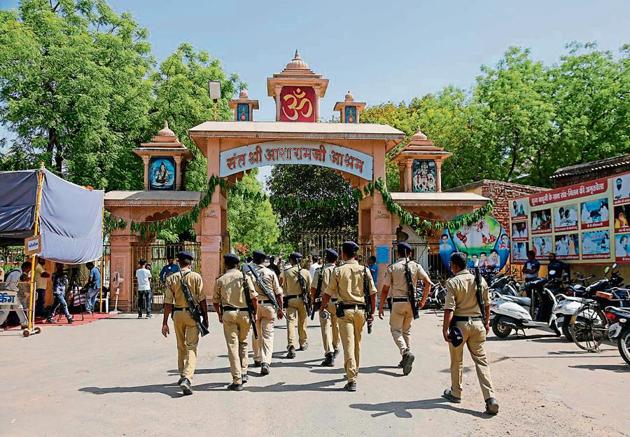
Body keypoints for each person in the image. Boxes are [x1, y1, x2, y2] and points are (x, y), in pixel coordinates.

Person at [442, 252, 499, 415]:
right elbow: (487, 304)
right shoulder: (480, 280)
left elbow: (449, 309)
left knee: (456, 361)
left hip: (459, 326)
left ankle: (456, 392)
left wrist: (445, 329)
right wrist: (487, 322)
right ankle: (490, 398)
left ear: (454, 265)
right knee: (482, 362)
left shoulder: (453, 282)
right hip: (478, 324)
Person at [320, 241, 377, 392]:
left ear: (344, 254)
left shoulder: (338, 271)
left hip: (345, 312)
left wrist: (322, 306)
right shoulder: (365, 270)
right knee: (357, 343)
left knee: (348, 345)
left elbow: (327, 292)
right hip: (361, 311)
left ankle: (351, 379)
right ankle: (354, 371)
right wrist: (372, 313)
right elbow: (373, 293)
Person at [378, 242, 431, 376]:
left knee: (395, 330)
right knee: (406, 331)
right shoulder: (416, 266)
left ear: (398, 253)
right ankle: (406, 357)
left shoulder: (393, 268)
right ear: (410, 253)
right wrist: (423, 300)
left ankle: (405, 352)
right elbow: (428, 283)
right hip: (412, 304)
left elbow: (385, 290)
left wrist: (381, 306)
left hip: (398, 303)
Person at [162, 251, 207, 396]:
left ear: (178, 262)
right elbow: (202, 299)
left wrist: (164, 323)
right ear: (191, 263)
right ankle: (187, 377)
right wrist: (205, 317)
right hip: (192, 314)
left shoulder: (171, 278)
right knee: (191, 347)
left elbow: (168, 302)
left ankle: (182, 374)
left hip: (177, 314)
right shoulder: (196, 277)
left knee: (180, 345)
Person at [213, 253, 257, 391]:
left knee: (233, 346)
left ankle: (236, 379)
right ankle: (244, 372)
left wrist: (220, 314)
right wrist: (254, 313)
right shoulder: (246, 277)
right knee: (243, 343)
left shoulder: (221, 279)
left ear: (226, 264)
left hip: (229, 313)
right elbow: (254, 298)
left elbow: (215, 301)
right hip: (245, 314)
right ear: (237, 264)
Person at [248, 250, 283, 376]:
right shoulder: (270, 273)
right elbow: (278, 293)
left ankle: (257, 358)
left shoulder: (248, 274)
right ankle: (265, 362)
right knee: (268, 335)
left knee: (256, 333)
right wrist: (280, 308)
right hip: (269, 306)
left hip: (254, 306)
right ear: (264, 260)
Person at [311, 248, 341, 367]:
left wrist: (313, 300)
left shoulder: (320, 271)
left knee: (325, 328)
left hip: (325, 303)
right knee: (336, 326)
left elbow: (313, 289)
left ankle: (329, 353)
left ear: (326, 259)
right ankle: (336, 346)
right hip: (338, 302)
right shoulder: (339, 271)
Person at [280, 252, 312, 358]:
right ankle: (303, 343)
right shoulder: (305, 272)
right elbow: (309, 289)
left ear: (291, 260)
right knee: (302, 322)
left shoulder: (286, 272)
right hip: (302, 300)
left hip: (290, 300)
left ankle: (291, 345)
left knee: (291, 323)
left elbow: (283, 287)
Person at [0, 261, 31, 330]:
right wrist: (18, 290)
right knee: (5, 311)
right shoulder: (17, 273)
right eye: (29, 269)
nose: (29, 270)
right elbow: (11, 285)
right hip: (8, 292)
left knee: (19, 308)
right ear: (26, 268)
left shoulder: (18, 271)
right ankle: (24, 323)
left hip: (11, 292)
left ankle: (25, 323)